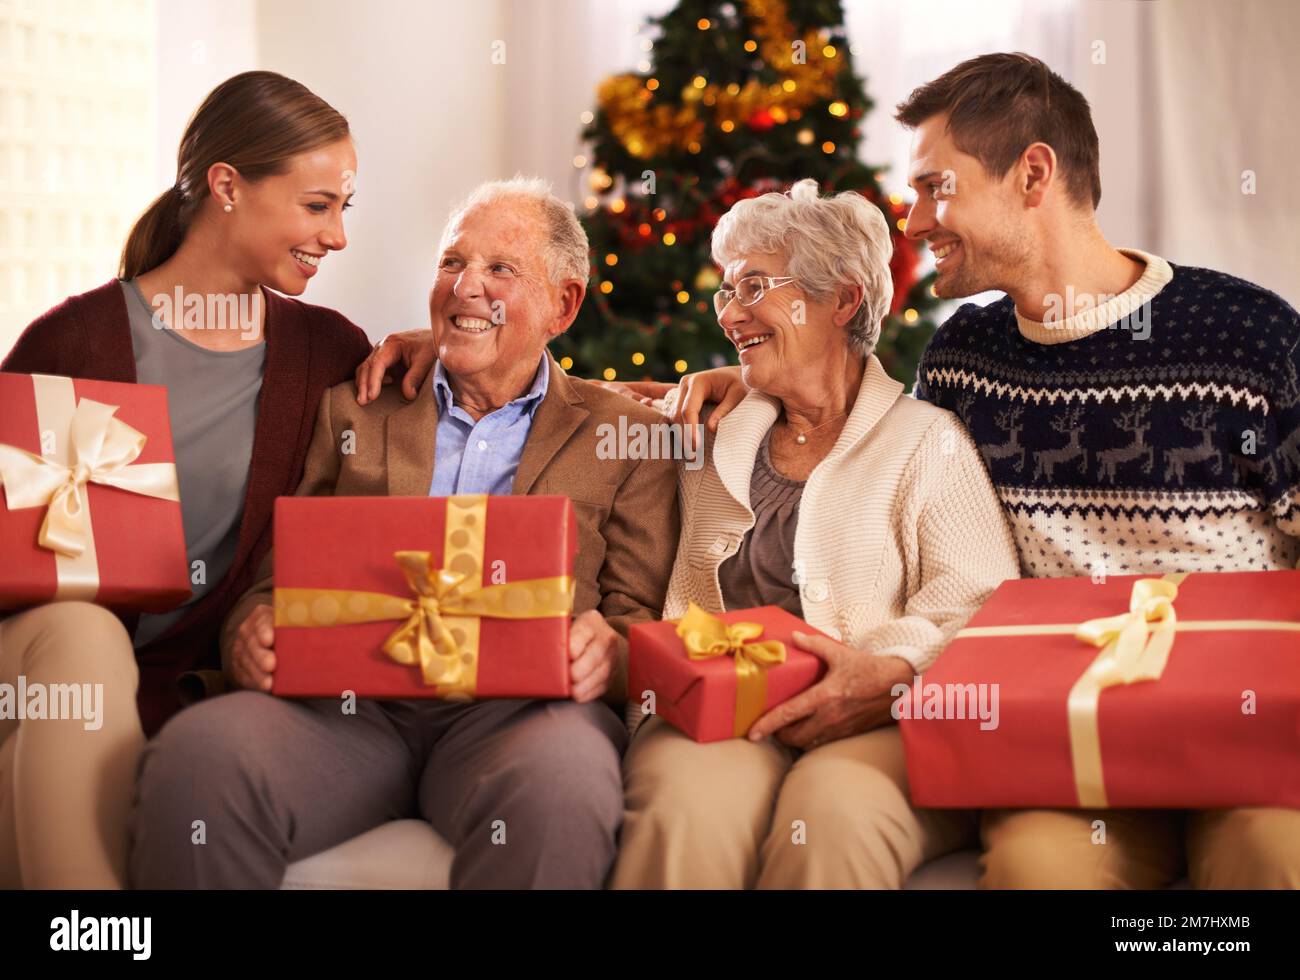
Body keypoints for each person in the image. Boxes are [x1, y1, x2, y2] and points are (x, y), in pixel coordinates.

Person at [644, 54, 1300, 889]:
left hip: (1237, 726)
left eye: (934, 188)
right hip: (1056, 739)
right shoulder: (964, 358)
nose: (913, 223)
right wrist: (751, 380)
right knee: (1038, 871)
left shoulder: (1245, 335)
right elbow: (864, 441)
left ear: (1033, 174)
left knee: (1276, 860)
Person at [129, 177, 680, 890]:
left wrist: (611, 652)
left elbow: (641, 626)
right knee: (200, 756)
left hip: (521, 720)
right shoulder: (352, 407)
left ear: (563, 304)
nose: (465, 288)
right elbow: (274, 577)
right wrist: (252, 628)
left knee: (564, 786)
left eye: (500, 270)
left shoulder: (628, 437)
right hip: (345, 713)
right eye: (452, 264)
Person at [0, 70, 420, 888]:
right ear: (227, 185)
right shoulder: (72, 343)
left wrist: (442, 345)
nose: (337, 237)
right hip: (42, 664)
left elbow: (418, 456)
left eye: (344, 208)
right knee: (85, 638)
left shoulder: (330, 352)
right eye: (317, 205)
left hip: (201, 688)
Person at [602, 179, 1018, 889]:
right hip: (722, 708)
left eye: (754, 286)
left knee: (833, 813)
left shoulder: (926, 442)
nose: (731, 314)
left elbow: (979, 604)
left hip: (883, 719)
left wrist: (888, 669)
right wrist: (451, 335)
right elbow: (559, 400)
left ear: (843, 299)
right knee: (685, 808)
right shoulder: (707, 426)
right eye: (726, 292)